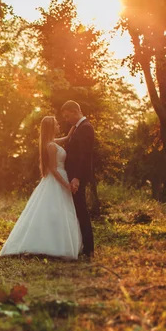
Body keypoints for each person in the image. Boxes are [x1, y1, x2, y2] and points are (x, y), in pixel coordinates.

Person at [0, 116, 82, 260]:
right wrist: (66, 184)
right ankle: (49, 245)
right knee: (54, 212)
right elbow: (53, 169)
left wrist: (71, 132)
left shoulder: (52, 143)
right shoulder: (50, 146)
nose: (58, 125)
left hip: (60, 178)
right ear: (51, 127)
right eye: (56, 124)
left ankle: (56, 243)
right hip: (57, 179)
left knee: (58, 212)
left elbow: (63, 139)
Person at [61, 100, 95, 258]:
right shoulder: (77, 128)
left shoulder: (86, 128)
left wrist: (77, 177)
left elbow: (85, 156)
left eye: (68, 116)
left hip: (77, 177)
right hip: (73, 175)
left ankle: (89, 248)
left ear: (75, 111)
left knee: (81, 211)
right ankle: (81, 245)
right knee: (77, 210)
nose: (67, 119)